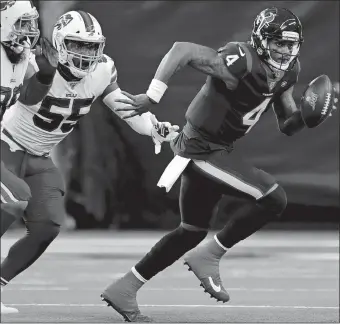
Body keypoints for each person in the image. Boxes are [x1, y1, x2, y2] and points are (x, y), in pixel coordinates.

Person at [101, 7, 338, 322]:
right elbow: (181, 50)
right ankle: (210, 254)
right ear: (260, 38)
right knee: (273, 198)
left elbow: (287, 123)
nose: (283, 50)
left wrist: (310, 116)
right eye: (277, 42)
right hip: (202, 148)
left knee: (191, 230)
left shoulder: (287, 71)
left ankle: (124, 288)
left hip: (217, 148)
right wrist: (154, 96)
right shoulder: (242, 59)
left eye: (289, 44)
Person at [0, 10, 179, 314]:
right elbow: (27, 98)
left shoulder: (102, 71)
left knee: (47, 225)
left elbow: (122, 105)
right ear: (58, 43)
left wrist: (153, 127)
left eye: (91, 47)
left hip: (40, 156)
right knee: (15, 198)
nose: (86, 54)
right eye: (78, 45)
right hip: (7, 145)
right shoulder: (32, 62)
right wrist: (44, 73)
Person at [1, 0, 59, 314]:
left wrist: (46, 75)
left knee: (22, 202)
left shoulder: (22, 56)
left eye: (31, 22)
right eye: (22, 22)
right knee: (15, 197)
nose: (30, 30)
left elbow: (28, 99)